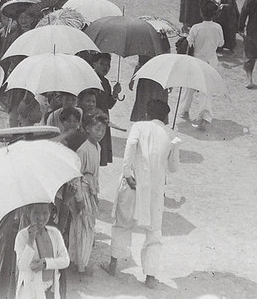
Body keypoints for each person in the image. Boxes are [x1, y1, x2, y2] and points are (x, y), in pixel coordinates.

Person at [103, 99, 181, 289]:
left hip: (133, 183)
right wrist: (175, 145)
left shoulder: (138, 126)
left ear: (147, 114)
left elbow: (130, 146)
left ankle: (113, 264)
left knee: (122, 223)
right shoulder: (171, 134)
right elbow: (173, 168)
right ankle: (151, 276)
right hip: (155, 190)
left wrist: (128, 173)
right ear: (166, 117)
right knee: (153, 232)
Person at [67, 111, 106, 275]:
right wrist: (79, 198)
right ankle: (78, 263)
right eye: (97, 129)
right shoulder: (83, 150)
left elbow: (96, 175)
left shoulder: (98, 147)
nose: (100, 133)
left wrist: (95, 194)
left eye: (103, 131)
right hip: (82, 191)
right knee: (80, 227)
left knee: (89, 226)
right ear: (88, 128)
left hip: (91, 191)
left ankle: (82, 260)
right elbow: (75, 176)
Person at [182, 2, 224, 127]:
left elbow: (189, 43)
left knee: (189, 86)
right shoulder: (218, 27)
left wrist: (186, 34)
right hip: (210, 61)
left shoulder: (196, 28)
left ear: (201, 13)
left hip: (196, 60)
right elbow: (221, 43)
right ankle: (204, 117)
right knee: (206, 90)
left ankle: (184, 110)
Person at [14, 202, 69, 299]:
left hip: (51, 290)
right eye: (36, 213)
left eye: (45, 213)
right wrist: (30, 241)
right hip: (31, 291)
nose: (41, 217)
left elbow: (65, 260)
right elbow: (22, 266)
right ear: (28, 213)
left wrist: (46, 263)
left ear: (50, 213)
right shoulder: (22, 236)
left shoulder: (54, 233)